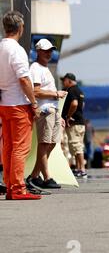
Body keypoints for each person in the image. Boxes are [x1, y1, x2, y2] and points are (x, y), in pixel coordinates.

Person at [0, 11, 41, 200]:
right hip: (18, 104)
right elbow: (24, 79)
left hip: (5, 103)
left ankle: (10, 186)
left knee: (8, 147)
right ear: (20, 28)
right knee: (20, 148)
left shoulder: (1, 46)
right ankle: (17, 188)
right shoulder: (16, 50)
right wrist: (34, 103)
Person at [26, 39, 67, 193]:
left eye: (50, 50)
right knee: (44, 144)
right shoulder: (35, 68)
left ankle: (35, 175)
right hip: (45, 110)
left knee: (52, 143)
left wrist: (59, 113)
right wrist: (55, 94)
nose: (49, 53)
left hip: (53, 110)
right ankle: (46, 177)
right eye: (46, 50)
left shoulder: (45, 68)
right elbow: (35, 91)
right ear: (38, 51)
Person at [61, 73, 87, 178]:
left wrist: (68, 116)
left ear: (69, 80)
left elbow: (75, 103)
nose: (63, 83)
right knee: (78, 146)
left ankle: (82, 169)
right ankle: (78, 168)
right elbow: (82, 105)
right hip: (80, 122)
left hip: (74, 123)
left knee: (76, 146)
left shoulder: (71, 90)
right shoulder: (79, 91)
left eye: (64, 80)